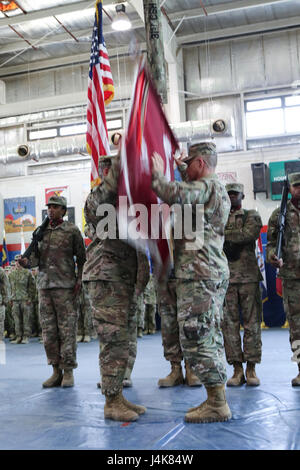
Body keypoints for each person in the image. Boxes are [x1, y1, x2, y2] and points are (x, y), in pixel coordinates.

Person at [151, 142, 232, 423]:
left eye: (191, 164)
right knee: (207, 335)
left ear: (200, 163)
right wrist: (183, 172)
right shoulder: (213, 189)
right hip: (204, 272)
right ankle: (214, 398)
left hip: (200, 274)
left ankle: (217, 404)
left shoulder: (208, 186)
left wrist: (158, 175)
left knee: (198, 336)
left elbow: (176, 193)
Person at [83, 154, 149, 422]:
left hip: (125, 277)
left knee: (124, 340)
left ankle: (118, 395)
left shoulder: (129, 202)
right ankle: (111, 401)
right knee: (113, 339)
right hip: (107, 275)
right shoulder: (98, 198)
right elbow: (97, 205)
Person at [18, 195, 86, 388]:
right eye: (49, 207)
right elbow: (36, 260)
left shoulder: (72, 231)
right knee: (48, 332)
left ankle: (68, 371)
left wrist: (80, 279)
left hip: (65, 288)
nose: (51, 210)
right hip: (45, 287)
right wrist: (26, 263)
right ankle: (55, 371)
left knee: (67, 331)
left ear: (64, 211)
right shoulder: (40, 232)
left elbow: (82, 258)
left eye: (56, 207)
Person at [222, 183, 263, 387]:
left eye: (235, 194)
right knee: (229, 325)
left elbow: (248, 235)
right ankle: (237, 369)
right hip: (226, 279)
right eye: (228, 194)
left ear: (242, 195)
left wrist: (223, 236)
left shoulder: (251, 216)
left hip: (248, 278)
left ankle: (252, 368)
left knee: (252, 324)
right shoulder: (218, 216)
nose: (231, 197)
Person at [267, 172, 300, 386]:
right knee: (297, 327)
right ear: (290, 189)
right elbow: (271, 243)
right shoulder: (280, 214)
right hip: (292, 278)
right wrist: (273, 256)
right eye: (296, 187)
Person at [9, 255, 35, 344]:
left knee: (26, 319)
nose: (17, 262)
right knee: (16, 319)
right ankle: (18, 336)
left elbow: (32, 286)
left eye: (19, 261)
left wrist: (30, 298)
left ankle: (25, 337)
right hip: (15, 299)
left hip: (25, 299)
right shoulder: (11, 274)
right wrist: (11, 299)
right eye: (16, 261)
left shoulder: (27, 273)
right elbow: (10, 287)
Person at [0, 266, 10, 343]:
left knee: (0, 320)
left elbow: (6, 285)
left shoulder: (1, 271)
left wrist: (5, 299)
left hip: (0, 300)